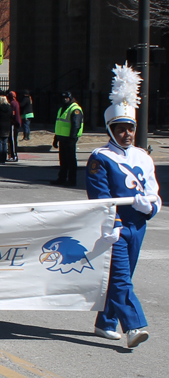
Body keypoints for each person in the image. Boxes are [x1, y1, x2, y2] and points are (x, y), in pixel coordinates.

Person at [86, 63, 161, 348]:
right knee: (120, 279)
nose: (126, 134)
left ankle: (105, 323)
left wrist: (149, 208)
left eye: (129, 128)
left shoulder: (143, 156)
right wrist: (113, 224)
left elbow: (153, 191)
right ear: (110, 129)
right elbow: (100, 196)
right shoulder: (100, 157)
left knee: (123, 277)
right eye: (120, 129)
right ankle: (134, 326)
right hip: (114, 227)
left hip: (138, 224)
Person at [51, 91, 83, 186]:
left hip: (69, 139)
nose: (64, 99)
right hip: (62, 138)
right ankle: (62, 178)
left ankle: (72, 180)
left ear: (70, 98)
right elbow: (60, 124)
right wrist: (56, 138)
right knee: (63, 160)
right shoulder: (62, 108)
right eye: (63, 98)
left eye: (66, 98)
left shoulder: (75, 109)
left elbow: (76, 125)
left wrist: (72, 138)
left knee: (71, 161)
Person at [7, 91, 21, 162]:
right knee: (13, 140)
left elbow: (13, 113)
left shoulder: (12, 103)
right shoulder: (16, 102)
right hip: (16, 122)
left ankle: (14, 155)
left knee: (12, 140)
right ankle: (12, 155)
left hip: (14, 123)